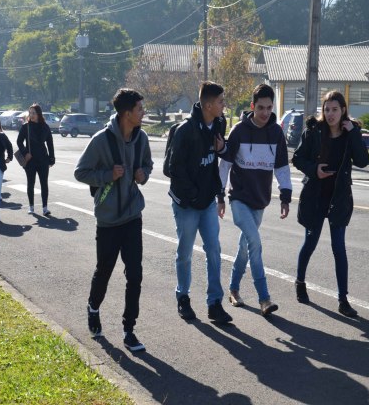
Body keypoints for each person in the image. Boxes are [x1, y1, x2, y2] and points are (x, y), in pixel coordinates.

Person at [74, 88, 153, 352]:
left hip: (132, 216)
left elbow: (147, 166)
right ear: (126, 113)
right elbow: (81, 172)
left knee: (135, 274)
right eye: (140, 109)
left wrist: (143, 175)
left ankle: (129, 329)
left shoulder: (141, 138)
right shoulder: (101, 141)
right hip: (108, 220)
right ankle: (93, 307)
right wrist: (108, 175)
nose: (144, 112)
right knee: (104, 270)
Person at [291, 90, 369, 318]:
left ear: (343, 110)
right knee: (310, 242)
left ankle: (343, 299)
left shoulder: (349, 133)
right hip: (316, 195)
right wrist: (314, 170)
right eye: (327, 109)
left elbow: (363, 161)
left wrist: (354, 133)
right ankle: (300, 282)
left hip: (339, 198)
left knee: (338, 248)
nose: (330, 113)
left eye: (335, 109)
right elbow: (297, 158)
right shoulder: (314, 131)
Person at [218, 84, 292, 317]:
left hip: (261, 200)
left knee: (244, 247)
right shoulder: (239, 131)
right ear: (252, 107)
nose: (265, 112)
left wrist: (286, 195)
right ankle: (264, 298)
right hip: (239, 199)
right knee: (256, 244)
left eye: (269, 108)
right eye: (261, 107)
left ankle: (232, 288)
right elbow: (225, 165)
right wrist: (220, 196)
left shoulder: (276, 133)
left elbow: (281, 167)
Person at [166, 81, 232, 323]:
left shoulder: (219, 124)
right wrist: (193, 196)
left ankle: (214, 303)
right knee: (185, 252)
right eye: (221, 102)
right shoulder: (185, 130)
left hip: (206, 202)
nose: (224, 106)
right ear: (207, 105)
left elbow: (220, 159)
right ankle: (183, 297)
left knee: (214, 250)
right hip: (185, 202)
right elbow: (175, 169)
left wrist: (218, 195)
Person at [17, 104, 56, 215]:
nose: (31, 115)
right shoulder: (26, 127)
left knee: (44, 184)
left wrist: (51, 158)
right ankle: (31, 207)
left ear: (39, 114)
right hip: (30, 160)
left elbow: (50, 143)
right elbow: (19, 142)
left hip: (43, 159)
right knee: (31, 183)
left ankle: (45, 208)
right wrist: (25, 153)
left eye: (34, 113)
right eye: (30, 113)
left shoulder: (45, 127)